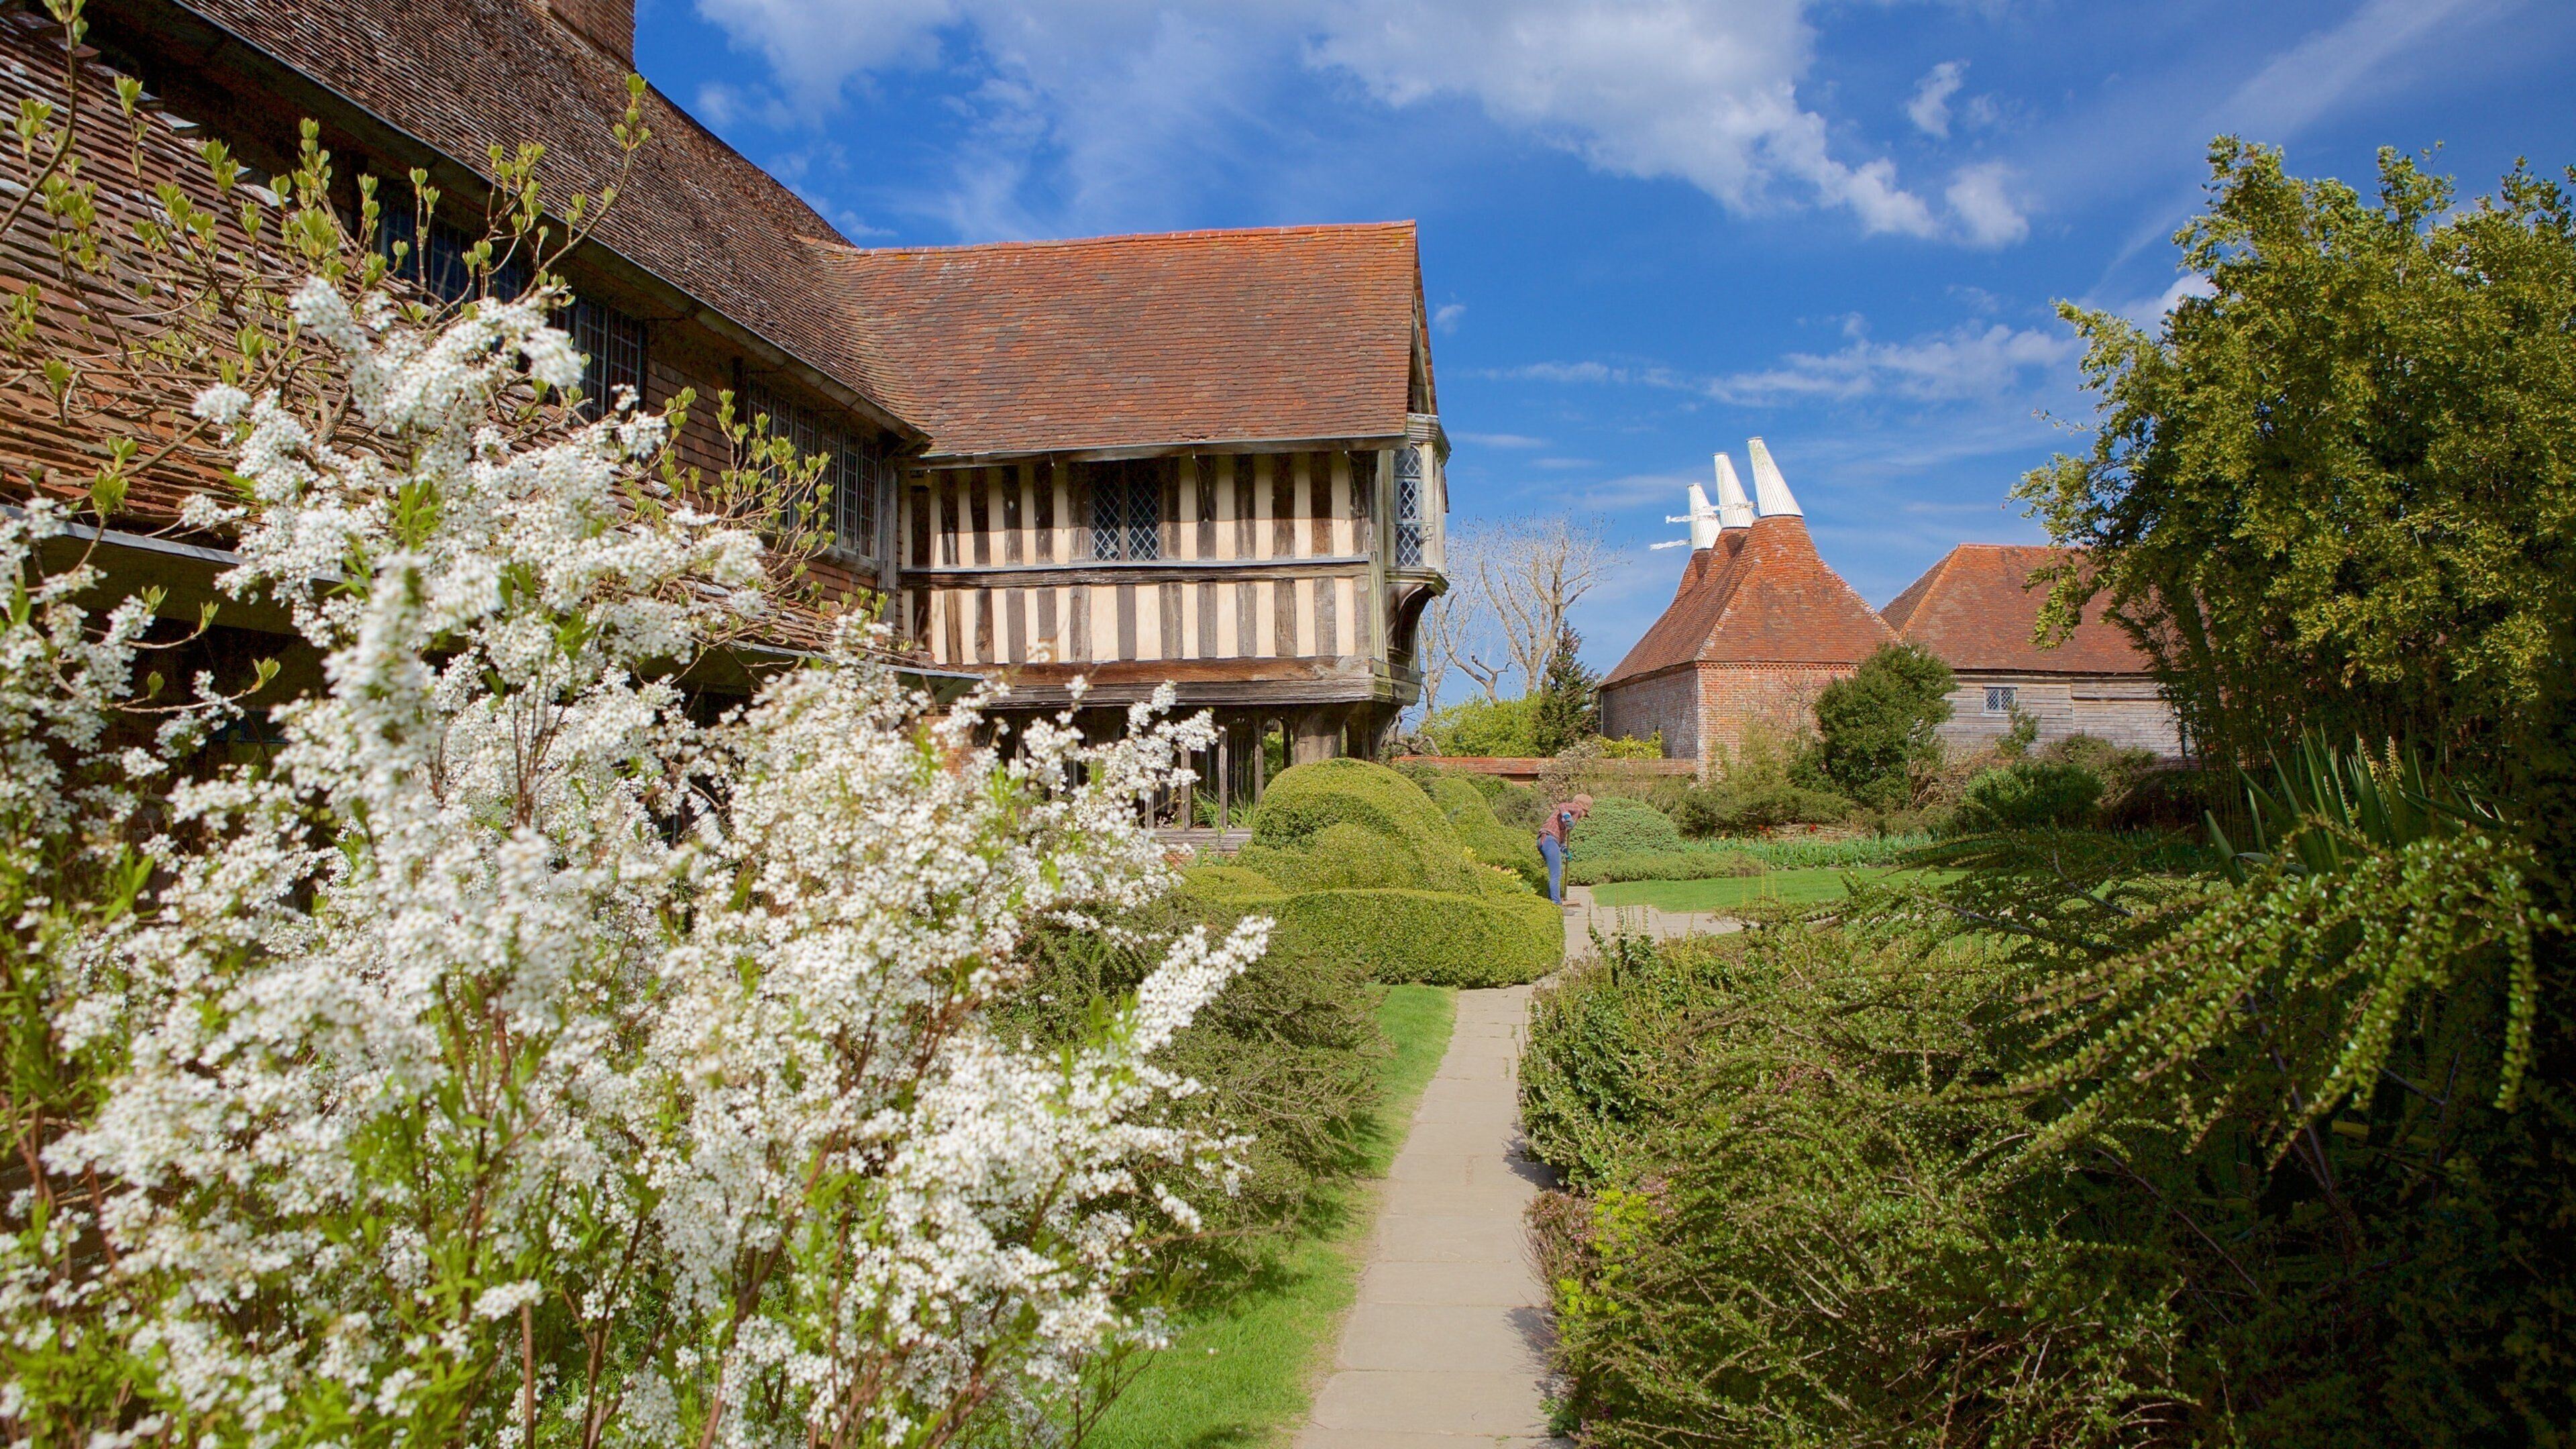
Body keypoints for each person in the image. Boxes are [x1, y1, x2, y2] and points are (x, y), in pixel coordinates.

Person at [1537, 793, 1592, 906]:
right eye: (1585, 813)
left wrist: (1565, 849)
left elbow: (1562, 838)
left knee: (1555, 873)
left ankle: (1551, 900)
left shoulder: (1568, 819)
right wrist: (1567, 817)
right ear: (1584, 808)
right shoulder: (1576, 808)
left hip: (1547, 840)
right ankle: (1556, 903)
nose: (1583, 817)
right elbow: (1562, 805)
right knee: (1556, 874)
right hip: (1549, 839)